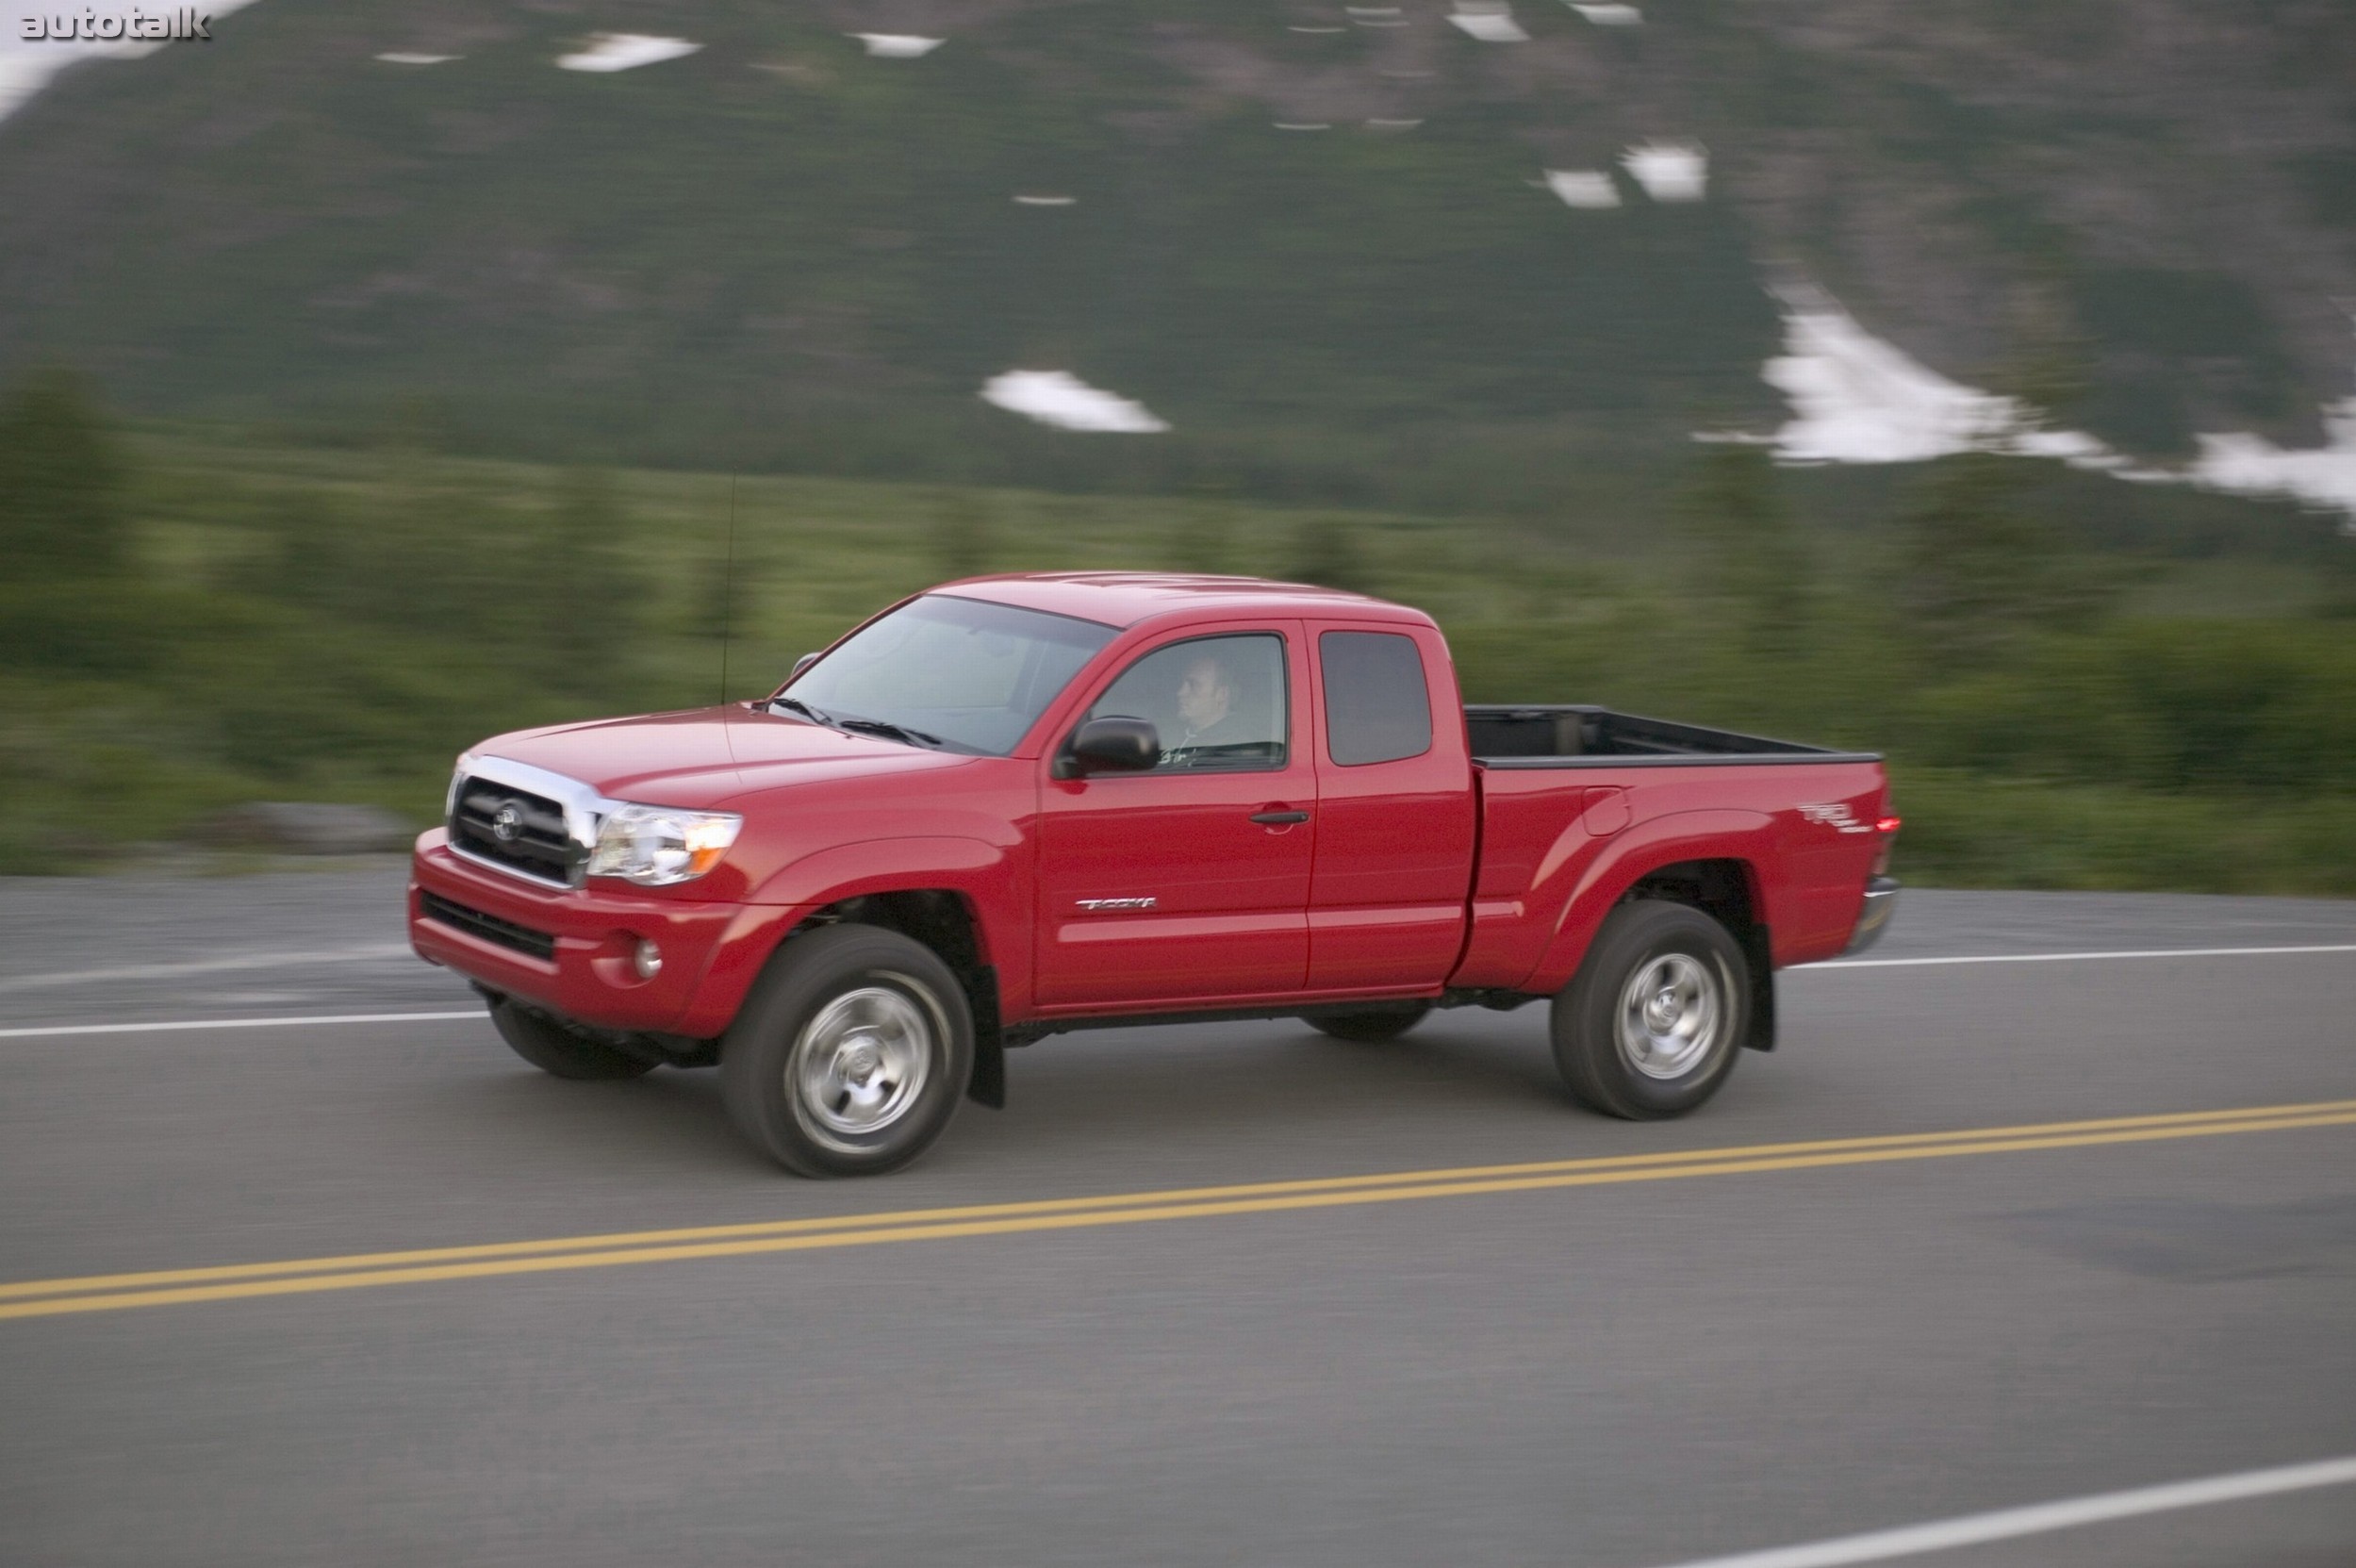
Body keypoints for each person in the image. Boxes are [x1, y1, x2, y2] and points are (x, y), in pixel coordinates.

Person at [1162, 649, 1247, 767]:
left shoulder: (1233, 747)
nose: (1180, 692)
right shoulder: (1170, 733)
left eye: (1194, 685)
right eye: (1182, 683)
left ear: (1221, 694)